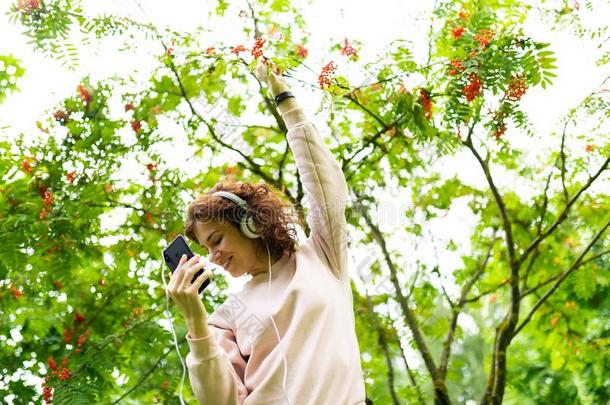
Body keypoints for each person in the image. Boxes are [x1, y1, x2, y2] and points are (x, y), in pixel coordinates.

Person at [165, 57, 366, 405]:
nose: (213, 256)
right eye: (206, 249)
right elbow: (220, 401)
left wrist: (286, 100)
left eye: (217, 239)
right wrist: (195, 320)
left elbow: (325, 185)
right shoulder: (225, 317)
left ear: (251, 222)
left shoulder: (322, 257)